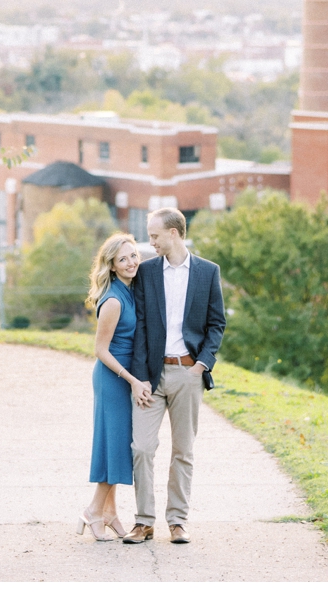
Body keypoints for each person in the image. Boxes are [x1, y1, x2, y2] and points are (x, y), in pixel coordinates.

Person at [123, 207, 226, 545]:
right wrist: (140, 377)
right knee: (141, 447)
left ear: (174, 233)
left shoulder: (208, 273)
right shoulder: (147, 273)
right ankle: (143, 521)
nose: (149, 242)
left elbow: (216, 324)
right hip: (151, 376)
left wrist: (202, 364)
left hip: (188, 373)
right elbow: (139, 327)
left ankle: (178, 521)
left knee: (183, 451)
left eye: (154, 236)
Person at [78, 233, 149, 541]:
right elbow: (100, 350)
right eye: (123, 259)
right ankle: (93, 510)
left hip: (122, 378)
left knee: (114, 446)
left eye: (134, 255)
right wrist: (132, 380)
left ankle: (110, 514)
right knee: (116, 447)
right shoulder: (113, 300)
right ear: (112, 265)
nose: (131, 262)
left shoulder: (130, 290)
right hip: (113, 379)